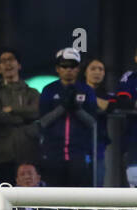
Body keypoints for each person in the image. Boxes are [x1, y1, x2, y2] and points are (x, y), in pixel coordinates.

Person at [38, 48, 100, 187]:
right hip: (53, 152)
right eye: (64, 66)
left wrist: (77, 109)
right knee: (54, 199)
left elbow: (92, 121)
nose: (68, 69)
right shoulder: (49, 90)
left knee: (78, 199)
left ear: (78, 69)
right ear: (57, 69)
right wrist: (62, 107)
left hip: (78, 152)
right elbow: (43, 121)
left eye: (72, 66)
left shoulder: (87, 90)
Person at [0, 48, 39, 184]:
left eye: (11, 59)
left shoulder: (31, 92)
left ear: (19, 65)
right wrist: (24, 116)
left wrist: (11, 109)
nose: (8, 64)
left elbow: (36, 112)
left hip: (28, 151)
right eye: (3, 61)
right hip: (3, 155)